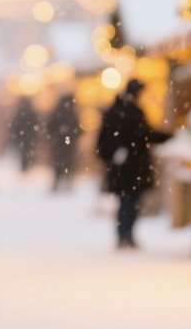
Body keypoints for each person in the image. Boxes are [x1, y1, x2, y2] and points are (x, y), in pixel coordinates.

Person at [96, 78, 170, 249]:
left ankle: (124, 235)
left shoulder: (116, 111)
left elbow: (103, 141)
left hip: (123, 167)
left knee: (126, 201)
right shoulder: (131, 113)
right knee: (130, 202)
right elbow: (145, 135)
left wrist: (112, 157)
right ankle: (126, 235)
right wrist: (169, 136)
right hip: (133, 167)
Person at [46, 93, 81, 192]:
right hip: (64, 144)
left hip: (60, 144)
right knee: (66, 163)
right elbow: (78, 129)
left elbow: (49, 127)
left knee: (60, 163)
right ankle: (63, 182)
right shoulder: (71, 113)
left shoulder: (60, 112)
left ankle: (60, 182)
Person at [9, 96, 40, 172]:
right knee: (27, 151)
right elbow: (35, 125)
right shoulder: (31, 112)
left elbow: (15, 125)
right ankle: (27, 165)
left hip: (22, 137)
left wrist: (15, 135)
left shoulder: (20, 112)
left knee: (24, 152)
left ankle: (25, 166)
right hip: (28, 137)